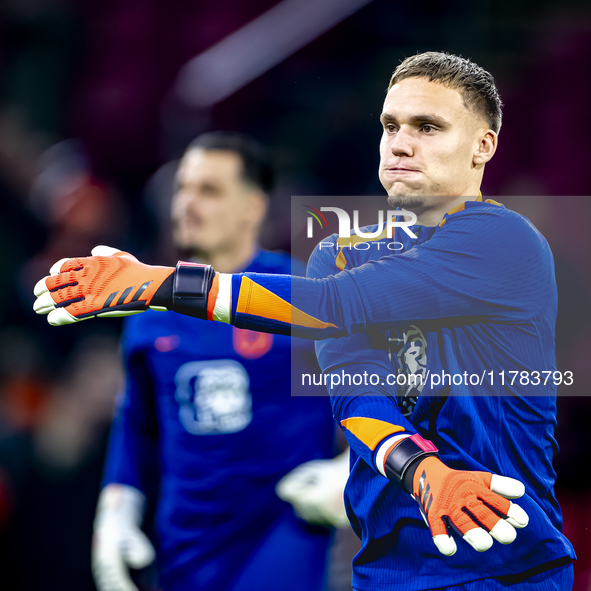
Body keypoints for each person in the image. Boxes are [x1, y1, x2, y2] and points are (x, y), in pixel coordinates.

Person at [35, 52, 576, 590]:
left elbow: (330, 306)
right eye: (391, 125)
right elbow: (356, 393)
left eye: (429, 127)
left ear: (484, 145)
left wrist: (162, 285)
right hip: (391, 570)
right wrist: (422, 471)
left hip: (505, 562)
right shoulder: (340, 252)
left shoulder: (507, 243)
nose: (401, 143)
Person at [83, 132, 349, 591]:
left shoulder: (303, 292)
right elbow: (137, 426)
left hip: (282, 530)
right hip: (185, 544)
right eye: (183, 188)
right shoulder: (149, 311)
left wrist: (349, 471)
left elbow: (390, 387)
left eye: (209, 190)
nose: (187, 203)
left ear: (252, 206)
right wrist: (116, 514)